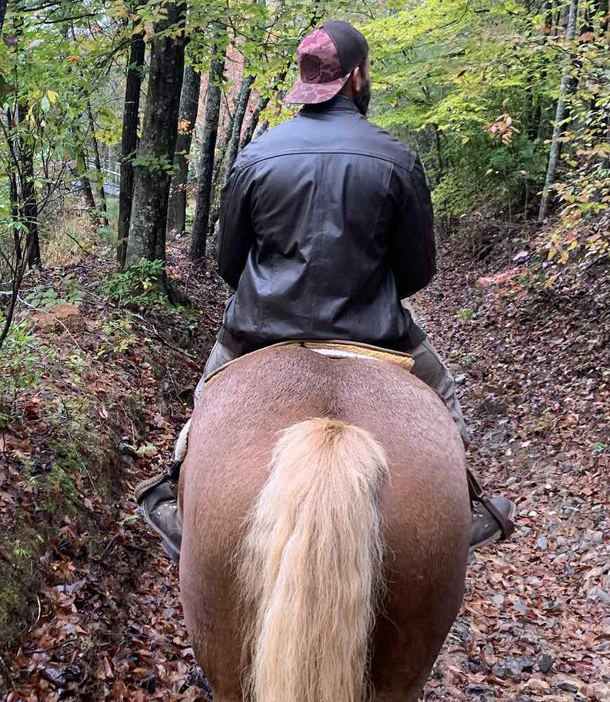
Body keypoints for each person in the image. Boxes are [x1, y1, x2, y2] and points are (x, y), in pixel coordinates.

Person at [135, 20, 515, 560]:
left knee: (207, 399)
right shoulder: (397, 159)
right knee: (444, 395)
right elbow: (417, 272)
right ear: (357, 79)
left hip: (260, 331)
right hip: (374, 335)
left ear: (306, 81)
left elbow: (229, 264)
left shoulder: (256, 157)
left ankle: (177, 491)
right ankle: (469, 504)